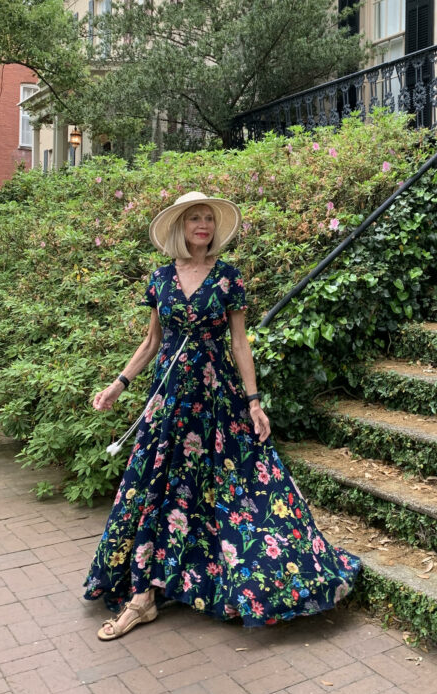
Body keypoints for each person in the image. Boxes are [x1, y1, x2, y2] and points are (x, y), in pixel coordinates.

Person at [84, 192, 360, 640]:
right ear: (180, 226)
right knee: (157, 487)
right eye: (194, 218)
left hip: (218, 399)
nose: (202, 225)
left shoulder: (229, 278)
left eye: (208, 219)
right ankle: (143, 597)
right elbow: (152, 342)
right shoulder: (160, 279)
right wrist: (119, 384)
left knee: (231, 488)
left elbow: (239, 343)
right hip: (170, 399)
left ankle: (224, 583)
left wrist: (254, 400)